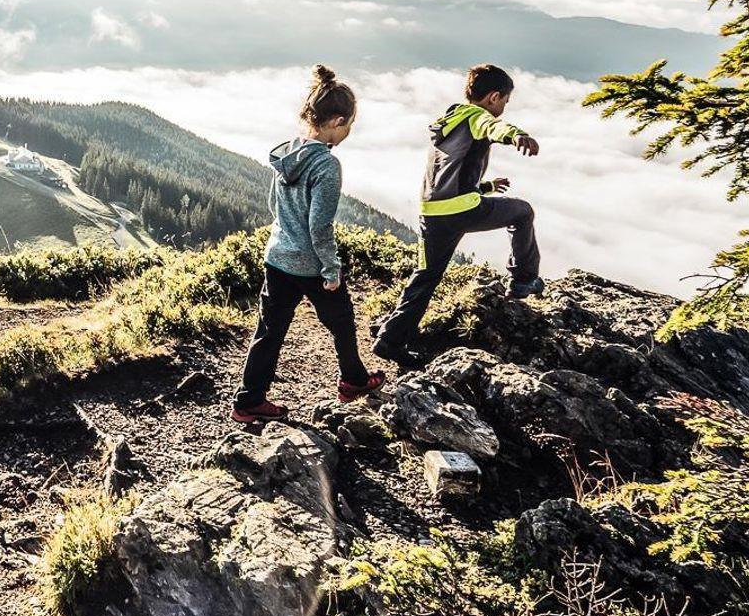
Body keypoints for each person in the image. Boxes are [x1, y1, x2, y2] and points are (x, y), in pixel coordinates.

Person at [232, 65, 384, 426]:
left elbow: (274, 206)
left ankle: (248, 401)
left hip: (277, 256)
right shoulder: (326, 165)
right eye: (348, 125)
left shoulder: (287, 154)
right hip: (310, 264)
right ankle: (353, 380)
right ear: (337, 121)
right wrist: (331, 268)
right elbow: (319, 225)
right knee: (342, 321)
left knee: (269, 331)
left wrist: (287, 234)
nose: (347, 132)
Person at [371, 62, 543, 365]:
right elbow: (493, 127)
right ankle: (523, 281)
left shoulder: (450, 120)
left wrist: (486, 186)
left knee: (426, 276)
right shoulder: (478, 117)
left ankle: (390, 339)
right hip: (462, 210)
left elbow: (450, 175)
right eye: (505, 100)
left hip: (432, 212)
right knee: (522, 212)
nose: (504, 107)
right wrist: (517, 135)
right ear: (493, 97)